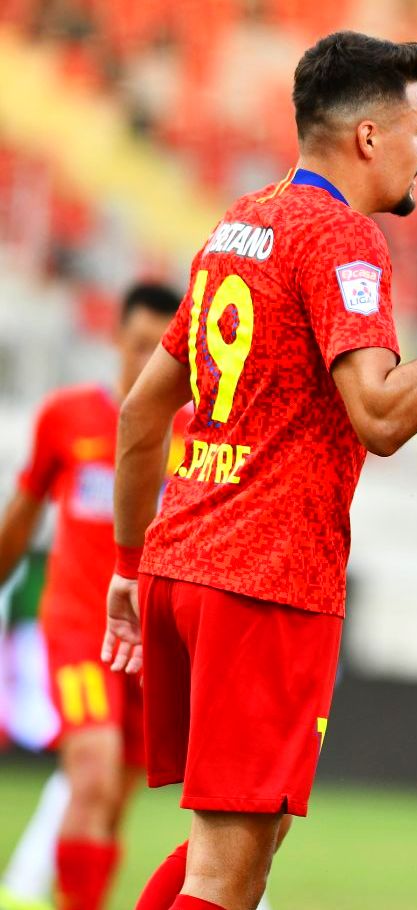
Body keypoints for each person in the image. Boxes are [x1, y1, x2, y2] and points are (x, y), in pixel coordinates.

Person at [101, 30, 417, 910]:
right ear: (369, 136)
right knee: (228, 871)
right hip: (263, 580)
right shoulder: (343, 238)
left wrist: (125, 564)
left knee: (238, 845)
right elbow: (380, 417)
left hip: (182, 566)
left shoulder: (240, 223)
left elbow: (142, 410)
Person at [0, 283, 181, 910]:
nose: (148, 361)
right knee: (94, 773)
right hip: (81, 628)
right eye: (138, 345)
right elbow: (23, 512)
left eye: (161, 349)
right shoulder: (67, 417)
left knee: (114, 800)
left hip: (151, 641)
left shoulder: (195, 434)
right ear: (116, 339)